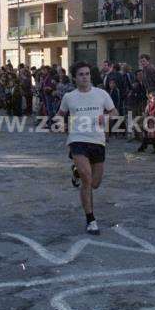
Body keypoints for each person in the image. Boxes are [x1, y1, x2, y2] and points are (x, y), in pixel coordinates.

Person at [56, 62, 117, 235]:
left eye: (87, 73)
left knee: (95, 183)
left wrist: (105, 118)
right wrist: (60, 124)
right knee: (87, 179)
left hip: (97, 141)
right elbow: (60, 115)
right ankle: (91, 219)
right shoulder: (69, 97)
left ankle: (76, 171)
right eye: (81, 74)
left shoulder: (101, 94)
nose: (85, 77)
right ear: (75, 78)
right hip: (77, 140)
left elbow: (115, 113)